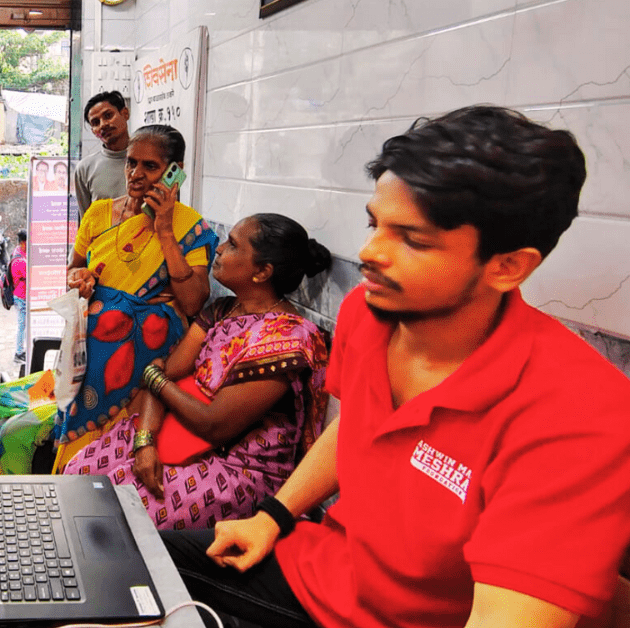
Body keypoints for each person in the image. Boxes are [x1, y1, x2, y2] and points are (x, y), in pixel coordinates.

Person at [162, 106, 630, 628]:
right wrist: (273, 516)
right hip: (319, 574)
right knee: (127, 572)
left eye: (413, 239)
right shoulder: (370, 313)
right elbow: (355, 427)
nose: (369, 252)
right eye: (374, 224)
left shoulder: (580, 412)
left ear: (507, 265)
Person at [64, 214, 331, 530]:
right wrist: (145, 441)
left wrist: (157, 379)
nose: (219, 250)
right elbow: (166, 374)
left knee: (118, 509)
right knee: (79, 472)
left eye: (233, 245)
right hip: (180, 431)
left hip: (237, 469)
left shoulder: (287, 339)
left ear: (262, 272)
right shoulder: (222, 311)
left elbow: (214, 424)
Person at [55, 124, 220, 470]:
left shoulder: (189, 227)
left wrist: (163, 228)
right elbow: (72, 272)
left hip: (144, 355)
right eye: (131, 163)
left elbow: (192, 303)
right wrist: (80, 278)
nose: (135, 174)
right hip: (88, 350)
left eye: (150, 166)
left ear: (175, 173)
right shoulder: (98, 214)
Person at [73, 91, 131, 214]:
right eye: (95, 123)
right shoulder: (85, 169)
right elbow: (88, 223)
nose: (103, 124)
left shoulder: (150, 158)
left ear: (125, 113)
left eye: (108, 115)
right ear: (93, 131)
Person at [11, 230, 28, 362]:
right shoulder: (20, 261)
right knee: (22, 325)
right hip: (22, 296)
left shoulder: (18, 251)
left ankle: (21, 350)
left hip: (20, 294)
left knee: (22, 324)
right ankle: (18, 353)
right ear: (23, 243)